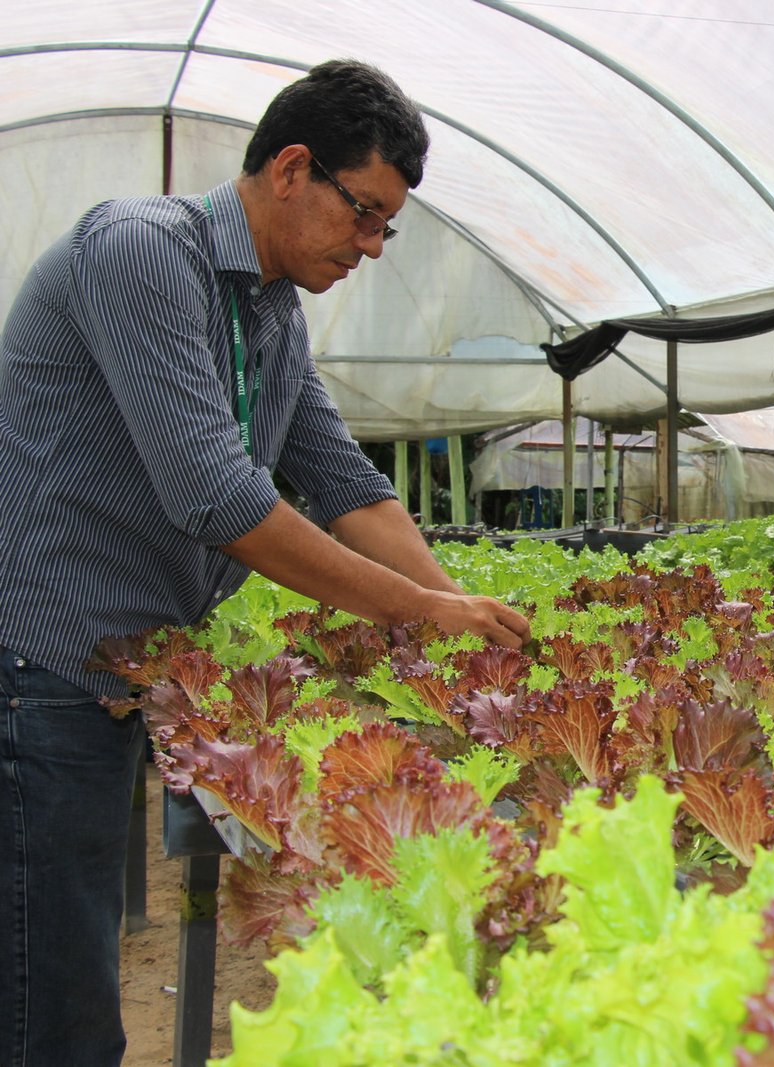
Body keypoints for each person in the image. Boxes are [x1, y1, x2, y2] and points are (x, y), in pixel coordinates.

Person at [0, 60, 530, 1065]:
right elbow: (216, 495)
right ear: (292, 168)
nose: (370, 246)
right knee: (50, 999)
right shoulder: (141, 253)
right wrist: (417, 611)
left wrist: (466, 611)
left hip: (109, 671)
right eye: (363, 212)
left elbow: (345, 482)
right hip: (35, 666)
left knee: (60, 966)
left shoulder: (271, 311)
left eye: (387, 228)